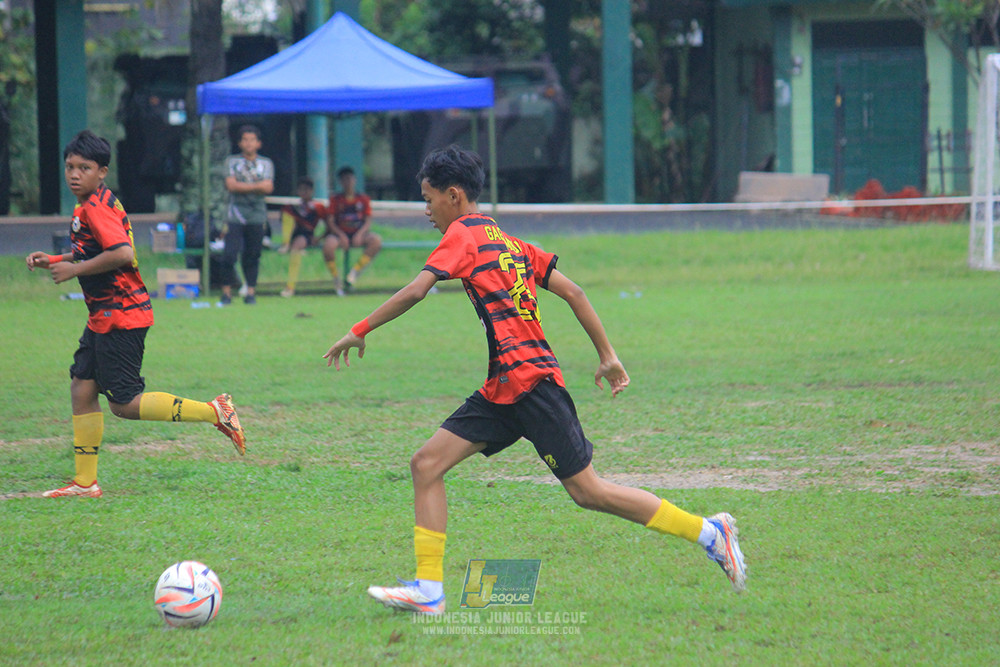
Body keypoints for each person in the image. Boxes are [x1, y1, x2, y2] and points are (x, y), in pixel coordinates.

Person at [322, 145, 747, 614]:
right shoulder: (509, 242)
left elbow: (418, 289)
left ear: (455, 195)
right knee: (426, 465)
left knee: (590, 492)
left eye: (429, 199)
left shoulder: (462, 236)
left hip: (532, 384)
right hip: (504, 387)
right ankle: (429, 590)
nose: (426, 211)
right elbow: (574, 291)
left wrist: (358, 329)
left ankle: (710, 532)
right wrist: (606, 355)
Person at [25, 130, 247, 499]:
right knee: (82, 388)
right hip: (104, 316)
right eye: (70, 167)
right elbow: (92, 249)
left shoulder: (95, 207)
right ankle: (85, 483)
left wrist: (74, 270)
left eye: (84, 168)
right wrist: (58, 259)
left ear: (103, 172)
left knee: (124, 404)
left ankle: (215, 411)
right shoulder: (92, 203)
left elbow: (123, 253)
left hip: (122, 315)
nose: (74, 174)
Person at [220, 124, 274, 305]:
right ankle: (226, 292)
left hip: (257, 215)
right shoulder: (231, 162)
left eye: (252, 140)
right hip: (235, 214)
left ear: (259, 143)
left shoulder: (266, 163)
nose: (249, 144)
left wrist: (242, 187)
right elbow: (231, 185)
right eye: (245, 140)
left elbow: (268, 187)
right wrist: (256, 187)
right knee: (229, 253)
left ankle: (250, 292)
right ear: (240, 143)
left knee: (253, 254)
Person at [279, 177, 341, 298]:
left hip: (306, 235)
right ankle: (285, 242)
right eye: (301, 190)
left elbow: (328, 224)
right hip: (294, 233)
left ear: (312, 191)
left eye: (307, 190)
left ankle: (290, 287)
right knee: (287, 212)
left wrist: (319, 238)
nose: (304, 192)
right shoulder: (293, 206)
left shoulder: (317, 207)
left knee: (297, 245)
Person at [327, 165, 381, 290]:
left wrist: (360, 234)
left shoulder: (363, 199)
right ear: (340, 182)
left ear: (355, 180)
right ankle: (336, 278)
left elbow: (367, 220)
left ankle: (354, 272)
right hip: (340, 234)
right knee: (328, 246)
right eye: (345, 179)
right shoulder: (335, 199)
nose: (348, 182)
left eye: (350, 179)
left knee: (376, 241)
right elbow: (331, 220)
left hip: (358, 233)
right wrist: (341, 235)